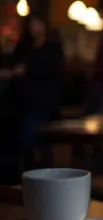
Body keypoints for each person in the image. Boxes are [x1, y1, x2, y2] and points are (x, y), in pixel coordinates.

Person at [4, 15, 64, 173]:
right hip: (20, 102)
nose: (34, 28)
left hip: (43, 103)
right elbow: (12, 65)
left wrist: (28, 70)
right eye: (32, 25)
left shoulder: (52, 48)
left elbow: (56, 72)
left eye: (38, 24)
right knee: (19, 142)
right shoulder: (24, 46)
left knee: (33, 140)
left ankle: (40, 175)